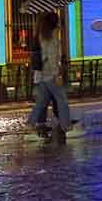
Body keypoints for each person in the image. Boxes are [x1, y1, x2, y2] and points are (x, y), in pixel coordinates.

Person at [26, 12, 77, 141]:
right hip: (50, 75)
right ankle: (66, 127)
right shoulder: (52, 38)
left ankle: (31, 126)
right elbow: (52, 58)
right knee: (62, 100)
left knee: (41, 102)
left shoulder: (41, 36)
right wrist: (57, 74)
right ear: (54, 24)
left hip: (42, 75)